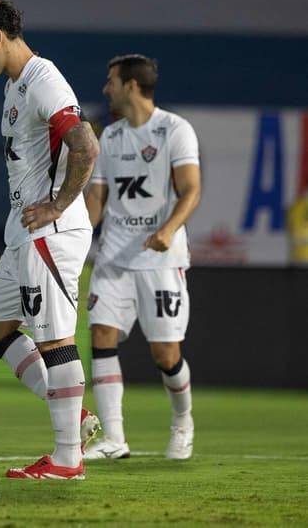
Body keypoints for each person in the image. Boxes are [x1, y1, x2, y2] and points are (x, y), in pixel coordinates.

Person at [0, 0, 101, 480]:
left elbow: (86, 144)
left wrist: (58, 205)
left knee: (55, 340)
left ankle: (67, 459)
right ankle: (75, 418)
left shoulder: (44, 80)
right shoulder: (15, 86)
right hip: (23, 232)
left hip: (49, 232)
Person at [84, 54, 201, 460]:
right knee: (101, 334)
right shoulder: (110, 137)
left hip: (160, 260)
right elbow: (97, 197)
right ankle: (114, 439)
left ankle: (183, 421)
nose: (106, 88)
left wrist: (168, 230)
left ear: (131, 86)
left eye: (111, 81)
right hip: (114, 256)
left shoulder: (175, 130)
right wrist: (76, 243)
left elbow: (191, 190)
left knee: (165, 355)